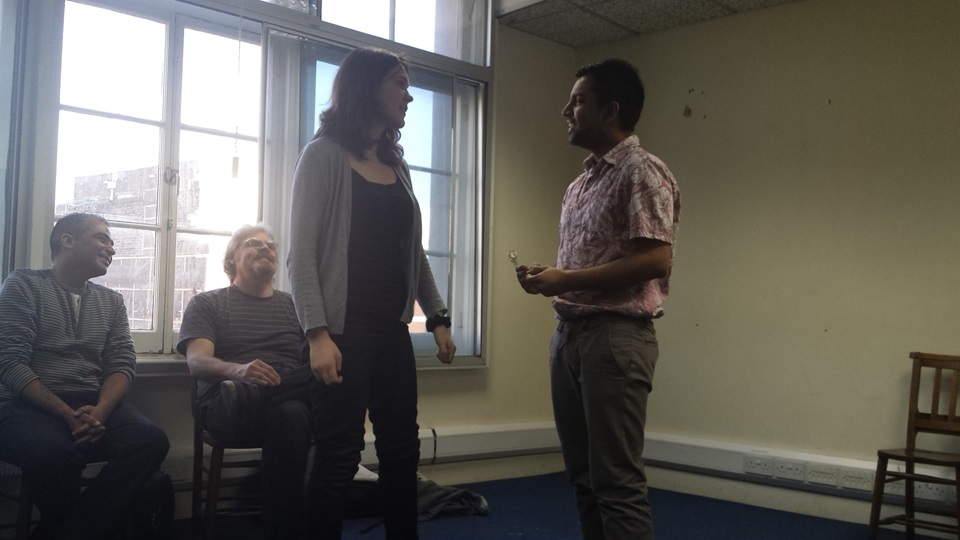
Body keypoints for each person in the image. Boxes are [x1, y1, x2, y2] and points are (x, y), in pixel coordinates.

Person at [287, 46, 456, 540]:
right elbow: (302, 255)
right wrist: (317, 335)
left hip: (391, 330)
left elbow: (413, 254)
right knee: (339, 454)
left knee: (402, 450)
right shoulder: (322, 155)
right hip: (342, 332)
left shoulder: (397, 166)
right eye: (400, 83)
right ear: (368, 87)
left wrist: (438, 318)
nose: (409, 96)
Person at [516, 59, 681, 540]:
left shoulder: (641, 170)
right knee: (585, 481)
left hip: (615, 338)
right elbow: (595, 259)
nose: (566, 110)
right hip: (569, 336)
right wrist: (550, 277)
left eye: (578, 101)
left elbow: (656, 260)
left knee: (616, 484)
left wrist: (564, 279)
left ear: (611, 111)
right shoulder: (581, 183)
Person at [0, 212, 170, 540]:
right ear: (67, 240)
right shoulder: (24, 284)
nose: (112, 248)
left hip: (92, 403)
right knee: (52, 453)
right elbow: (9, 362)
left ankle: (62, 533)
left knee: (150, 440)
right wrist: (67, 414)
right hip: (25, 406)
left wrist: (101, 411)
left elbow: (122, 362)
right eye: (102, 238)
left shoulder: (111, 301)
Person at [178, 225, 312, 540]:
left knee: (296, 410)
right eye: (254, 243)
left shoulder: (295, 307)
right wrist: (238, 371)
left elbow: (312, 362)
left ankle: (282, 533)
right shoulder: (207, 303)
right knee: (298, 406)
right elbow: (197, 362)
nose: (266, 248)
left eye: (271, 245)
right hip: (229, 405)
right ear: (231, 259)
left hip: (286, 402)